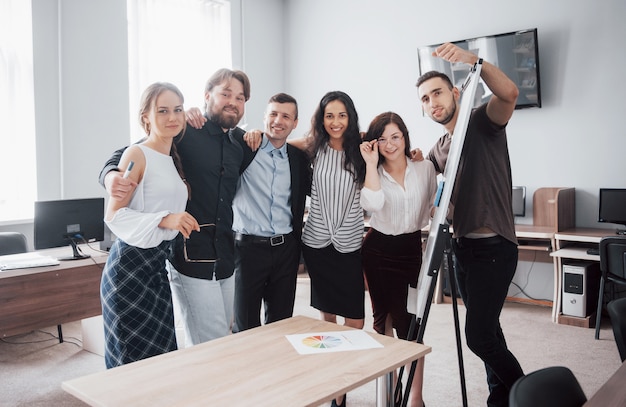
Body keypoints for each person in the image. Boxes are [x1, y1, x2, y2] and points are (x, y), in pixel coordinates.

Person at [99, 68, 251, 346]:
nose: (233, 101)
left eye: (240, 97)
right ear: (207, 96)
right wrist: (110, 175)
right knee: (211, 343)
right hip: (190, 255)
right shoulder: (184, 131)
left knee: (222, 334)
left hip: (226, 255)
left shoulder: (241, 143)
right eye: (225, 93)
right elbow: (133, 153)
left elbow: (282, 145)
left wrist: (262, 135)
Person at [416, 43, 524, 406]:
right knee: (490, 329)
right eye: (425, 98)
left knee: (477, 337)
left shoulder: (481, 120)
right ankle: (501, 398)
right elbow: (429, 188)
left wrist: (474, 61)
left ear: (456, 92)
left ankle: (527, 392)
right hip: (463, 250)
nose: (433, 102)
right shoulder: (439, 147)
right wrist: (415, 161)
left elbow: (509, 93)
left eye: (438, 93)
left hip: (494, 248)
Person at [100, 82, 200, 368]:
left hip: (157, 268)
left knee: (161, 358)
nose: (173, 117)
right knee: (132, 364)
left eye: (178, 110)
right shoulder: (136, 154)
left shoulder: (172, 157)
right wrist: (167, 219)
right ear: (146, 117)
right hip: (129, 270)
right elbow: (114, 216)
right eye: (163, 110)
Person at [291, 90, 366, 407]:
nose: (335, 122)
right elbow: (276, 139)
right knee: (326, 322)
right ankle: (336, 393)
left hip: (350, 242)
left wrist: (415, 154)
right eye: (329, 115)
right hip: (317, 243)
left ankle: (345, 377)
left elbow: (397, 151)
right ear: (322, 119)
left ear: (350, 117)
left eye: (341, 115)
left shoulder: (363, 148)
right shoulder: (312, 147)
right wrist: (256, 134)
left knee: (356, 322)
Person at [360, 112, 437, 407]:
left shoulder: (425, 167)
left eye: (396, 137)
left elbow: (432, 205)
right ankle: (389, 393)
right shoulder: (373, 171)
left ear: (405, 137)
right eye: (382, 139)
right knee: (385, 323)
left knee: (411, 325)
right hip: (377, 250)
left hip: (410, 251)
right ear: (375, 143)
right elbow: (372, 204)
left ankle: (415, 398)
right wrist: (369, 164)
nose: (390, 144)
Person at [230, 93, 310, 331]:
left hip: (286, 249)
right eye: (273, 114)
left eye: (286, 116)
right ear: (264, 117)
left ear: (295, 123)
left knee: (281, 325)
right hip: (247, 250)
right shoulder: (245, 147)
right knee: (245, 326)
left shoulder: (298, 159)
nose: (278, 120)